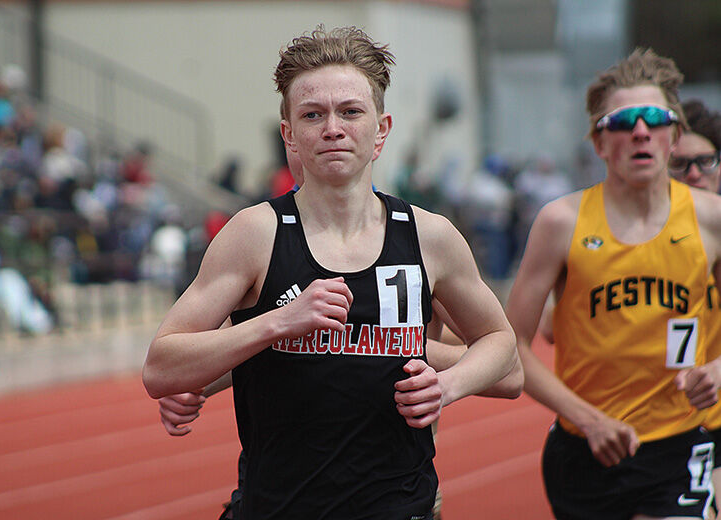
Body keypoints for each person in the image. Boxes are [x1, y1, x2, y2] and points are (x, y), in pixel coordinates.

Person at [143, 26, 519, 519]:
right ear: (289, 135)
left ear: (381, 130)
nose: (333, 128)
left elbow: (505, 354)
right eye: (313, 115)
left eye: (351, 111)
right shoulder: (255, 234)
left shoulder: (429, 237)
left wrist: (445, 384)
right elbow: (161, 368)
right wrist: (277, 322)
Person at [505, 48, 721, 520]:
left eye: (653, 118)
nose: (640, 131)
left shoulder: (712, 220)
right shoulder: (560, 223)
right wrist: (588, 419)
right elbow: (509, 344)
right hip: (587, 448)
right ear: (600, 143)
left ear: (674, 136)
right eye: (623, 121)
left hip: (680, 445)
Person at [670, 98, 721, 516]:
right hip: (667, 423)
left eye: (706, 161)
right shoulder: (637, 237)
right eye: (681, 163)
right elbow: (552, 331)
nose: (693, 173)